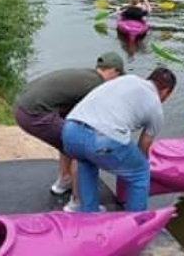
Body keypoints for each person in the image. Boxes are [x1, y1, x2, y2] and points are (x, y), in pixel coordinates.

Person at [13, 52, 125, 207]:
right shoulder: (97, 85)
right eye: (118, 76)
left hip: (21, 106)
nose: (116, 82)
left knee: (69, 136)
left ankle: (64, 180)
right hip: (34, 114)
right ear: (113, 71)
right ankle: (78, 203)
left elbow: (74, 116)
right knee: (82, 148)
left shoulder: (86, 76)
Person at [62, 67, 177, 212]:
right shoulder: (156, 108)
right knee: (141, 172)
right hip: (101, 140)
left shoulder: (128, 79)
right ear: (166, 91)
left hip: (70, 131)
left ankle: (89, 212)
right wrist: (131, 169)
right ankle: (136, 220)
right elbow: (143, 147)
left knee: (86, 162)